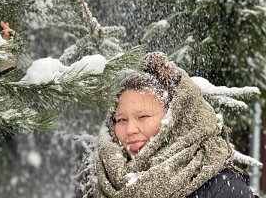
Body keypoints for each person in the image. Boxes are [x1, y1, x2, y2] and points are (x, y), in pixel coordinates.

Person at [80, 52, 258, 197]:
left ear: (174, 120)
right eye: (121, 120)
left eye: (143, 116)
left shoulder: (220, 188)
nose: (130, 130)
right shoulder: (98, 182)